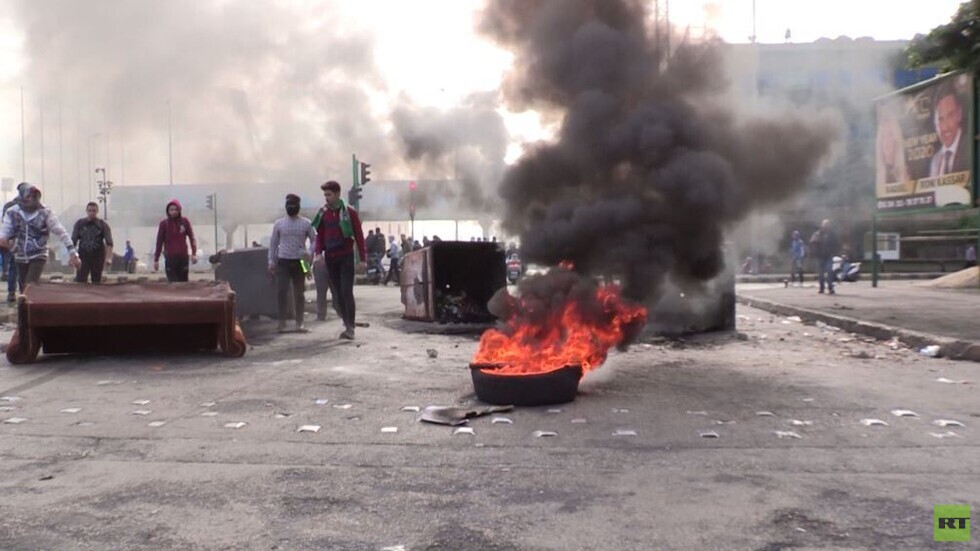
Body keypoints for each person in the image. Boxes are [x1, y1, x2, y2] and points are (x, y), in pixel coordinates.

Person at [0, 185, 81, 289]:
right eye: (29, 196)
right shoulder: (12, 212)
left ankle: (29, 300)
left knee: (30, 285)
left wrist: (73, 253)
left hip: (38, 254)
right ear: (22, 196)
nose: (32, 199)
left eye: (34, 196)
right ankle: (25, 304)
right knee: (22, 287)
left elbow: (61, 232)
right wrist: (5, 241)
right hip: (19, 255)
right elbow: (5, 232)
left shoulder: (45, 212)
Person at [313, 180, 366, 340]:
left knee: (346, 291)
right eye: (325, 195)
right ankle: (346, 322)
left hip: (346, 257)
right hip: (330, 257)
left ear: (337, 194)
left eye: (329, 194)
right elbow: (319, 236)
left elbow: (359, 236)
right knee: (337, 294)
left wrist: (363, 259)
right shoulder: (323, 213)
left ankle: (351, 327)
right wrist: (318, 253)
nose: (326, 198)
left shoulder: (350, 213)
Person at [268, 194, 316, 333]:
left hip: (301, 261)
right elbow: (273, 244)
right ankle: (281, 322)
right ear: (285, 206)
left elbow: (315, 240)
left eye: (293, 205)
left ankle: (299, 323)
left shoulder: (306, 223)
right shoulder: (279, 224)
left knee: (299, 293)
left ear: (298, 207)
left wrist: (310, 252)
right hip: (283, 261)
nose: (291, 207)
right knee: (282, 291)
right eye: (289, 205)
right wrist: (271, 262)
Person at [153, 199, 198, 282]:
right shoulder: (164, 224)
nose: (173, 212)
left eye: (176, 209)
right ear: (168, 211)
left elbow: (192, 237)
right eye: (171, 210)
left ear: (179, 210)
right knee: (172, 284)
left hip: (183, 257)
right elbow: (159, 242)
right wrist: (156, 259)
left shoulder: (185, 222)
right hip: (170, 258)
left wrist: (194, 254)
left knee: (183, 283)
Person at [929, 83, 968, 177]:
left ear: (959, 113)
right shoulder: (935, 160)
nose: (945, 127)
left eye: (950, 116)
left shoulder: (970, 149)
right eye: (940, 119)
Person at [71, 202, 114, 284]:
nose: (91, 213)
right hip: (83, 257)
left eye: (94, 211)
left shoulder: (102, 225)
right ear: (86, 211)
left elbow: (109, 243)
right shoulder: (80, 223)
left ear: (97, 211)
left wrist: (108, 258)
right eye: (90, 210)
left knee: (96, 281)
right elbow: (73, 242)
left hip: (98, 257)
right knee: (80, 281)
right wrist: (73, 257)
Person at [1, 182, 29, 302]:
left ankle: (12, 293)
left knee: (14, 266)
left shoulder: (9, 205)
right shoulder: (26, 205)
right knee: (20, 267)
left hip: (12, 239)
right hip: (19, 240)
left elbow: (4, 222)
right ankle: (22, 292)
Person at [809, 219, 840, 295]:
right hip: (820, 256)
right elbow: (812, 242)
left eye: (828, 224)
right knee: (821, 273)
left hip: (829, 255)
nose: (826, 226)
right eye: (825, 224)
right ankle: (821, 288)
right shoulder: (818, 233)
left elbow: (836, 243)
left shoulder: (832, 234)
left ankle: (830, 288)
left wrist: (835, 252)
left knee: (830, 272)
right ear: (822, 225)